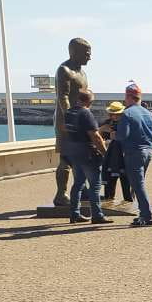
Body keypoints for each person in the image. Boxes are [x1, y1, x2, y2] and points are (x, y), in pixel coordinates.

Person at [53, 37, 93, 206]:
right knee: (66, 158)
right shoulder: (64, 70)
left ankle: (82, 189)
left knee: (82, 156)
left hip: (80, 120)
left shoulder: (83, 73)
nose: (89, 57)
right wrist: (72, 120)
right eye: (86, 53)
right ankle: (60, 194)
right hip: (66, 122)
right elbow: (63, 98)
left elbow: (84, 97)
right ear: (74, 52)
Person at [63, 90, 111, 224]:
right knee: (95, 185)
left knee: (78, 184)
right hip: (87, 153)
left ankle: (74, 214)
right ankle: (97, 215)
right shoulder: (85, 113)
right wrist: (105, 152)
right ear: (89, 102)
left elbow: (66, 129)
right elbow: (95, 136)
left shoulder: (69, 112)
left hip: (73, 151)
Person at [116, 82, 152, 226]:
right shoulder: (149, 114)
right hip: (147, 152)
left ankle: (147, 216)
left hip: (134, 152)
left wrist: (112, 134)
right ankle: (143, 214)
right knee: (138, 184)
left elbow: (122, 136)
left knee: (138, 185)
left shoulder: (127, 113)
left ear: (128, 97)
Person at [100, 101, 131, 202]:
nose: (115, 116)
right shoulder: (107, 123)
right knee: (110, 179)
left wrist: (114, 134)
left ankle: (128, 200)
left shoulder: (126, 122)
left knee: (126, 179)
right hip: (112, 154)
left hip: (124, 153)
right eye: (113, 114)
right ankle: (109, 199)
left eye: (117, 114)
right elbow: (99, 136)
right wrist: (102, 130)